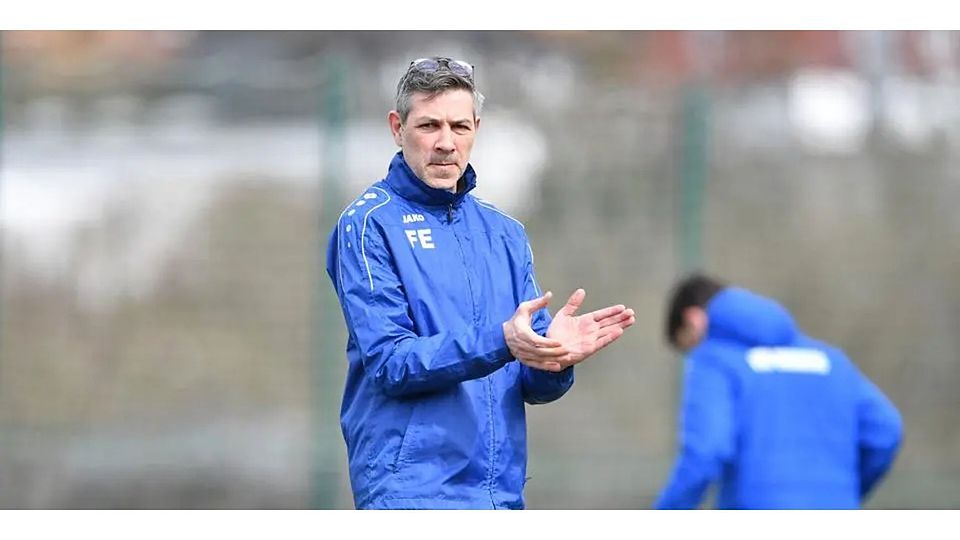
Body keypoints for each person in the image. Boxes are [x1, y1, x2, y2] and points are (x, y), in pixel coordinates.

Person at [325, 56, 636, 509]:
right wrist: (503, 340)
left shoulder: (504, 233)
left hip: (498, 495)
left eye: (460, 127)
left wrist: (553, 358)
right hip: (412, 495)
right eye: (429, 125)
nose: (446, 143)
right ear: (397, 127)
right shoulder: (368, 224)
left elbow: (530, 380)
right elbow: (390, 363)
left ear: (476, 129)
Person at [655, 273, 903, 509]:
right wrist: (841, 493)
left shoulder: (714, 359)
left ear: (693, 320)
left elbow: (706, 451)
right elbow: (887, 430)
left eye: (688, 345)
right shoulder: (831, 360)